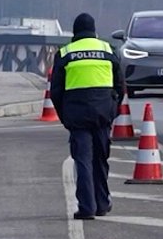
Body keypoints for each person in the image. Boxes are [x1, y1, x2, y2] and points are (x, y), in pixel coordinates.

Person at [49, 12, 124, 220]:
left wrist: (65, 116)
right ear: (94, 31)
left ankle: (87, 207)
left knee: (83, 161)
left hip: (77, 117)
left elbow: (56, 91)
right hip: (102, 115)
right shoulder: (108, 50)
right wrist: (112, 110)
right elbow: (121, 86)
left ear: (75, 32)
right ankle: (102, 203)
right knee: (101, 159)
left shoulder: (65, 53)